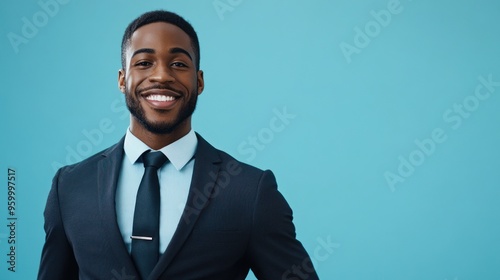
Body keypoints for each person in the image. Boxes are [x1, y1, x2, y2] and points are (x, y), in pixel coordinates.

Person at [38, 10, 319, 280]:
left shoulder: (249, 191)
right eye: (144, 62)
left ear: (199, 81)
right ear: (123, 80)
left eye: (179, 64)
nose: (161, 76)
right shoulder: (70, 187)